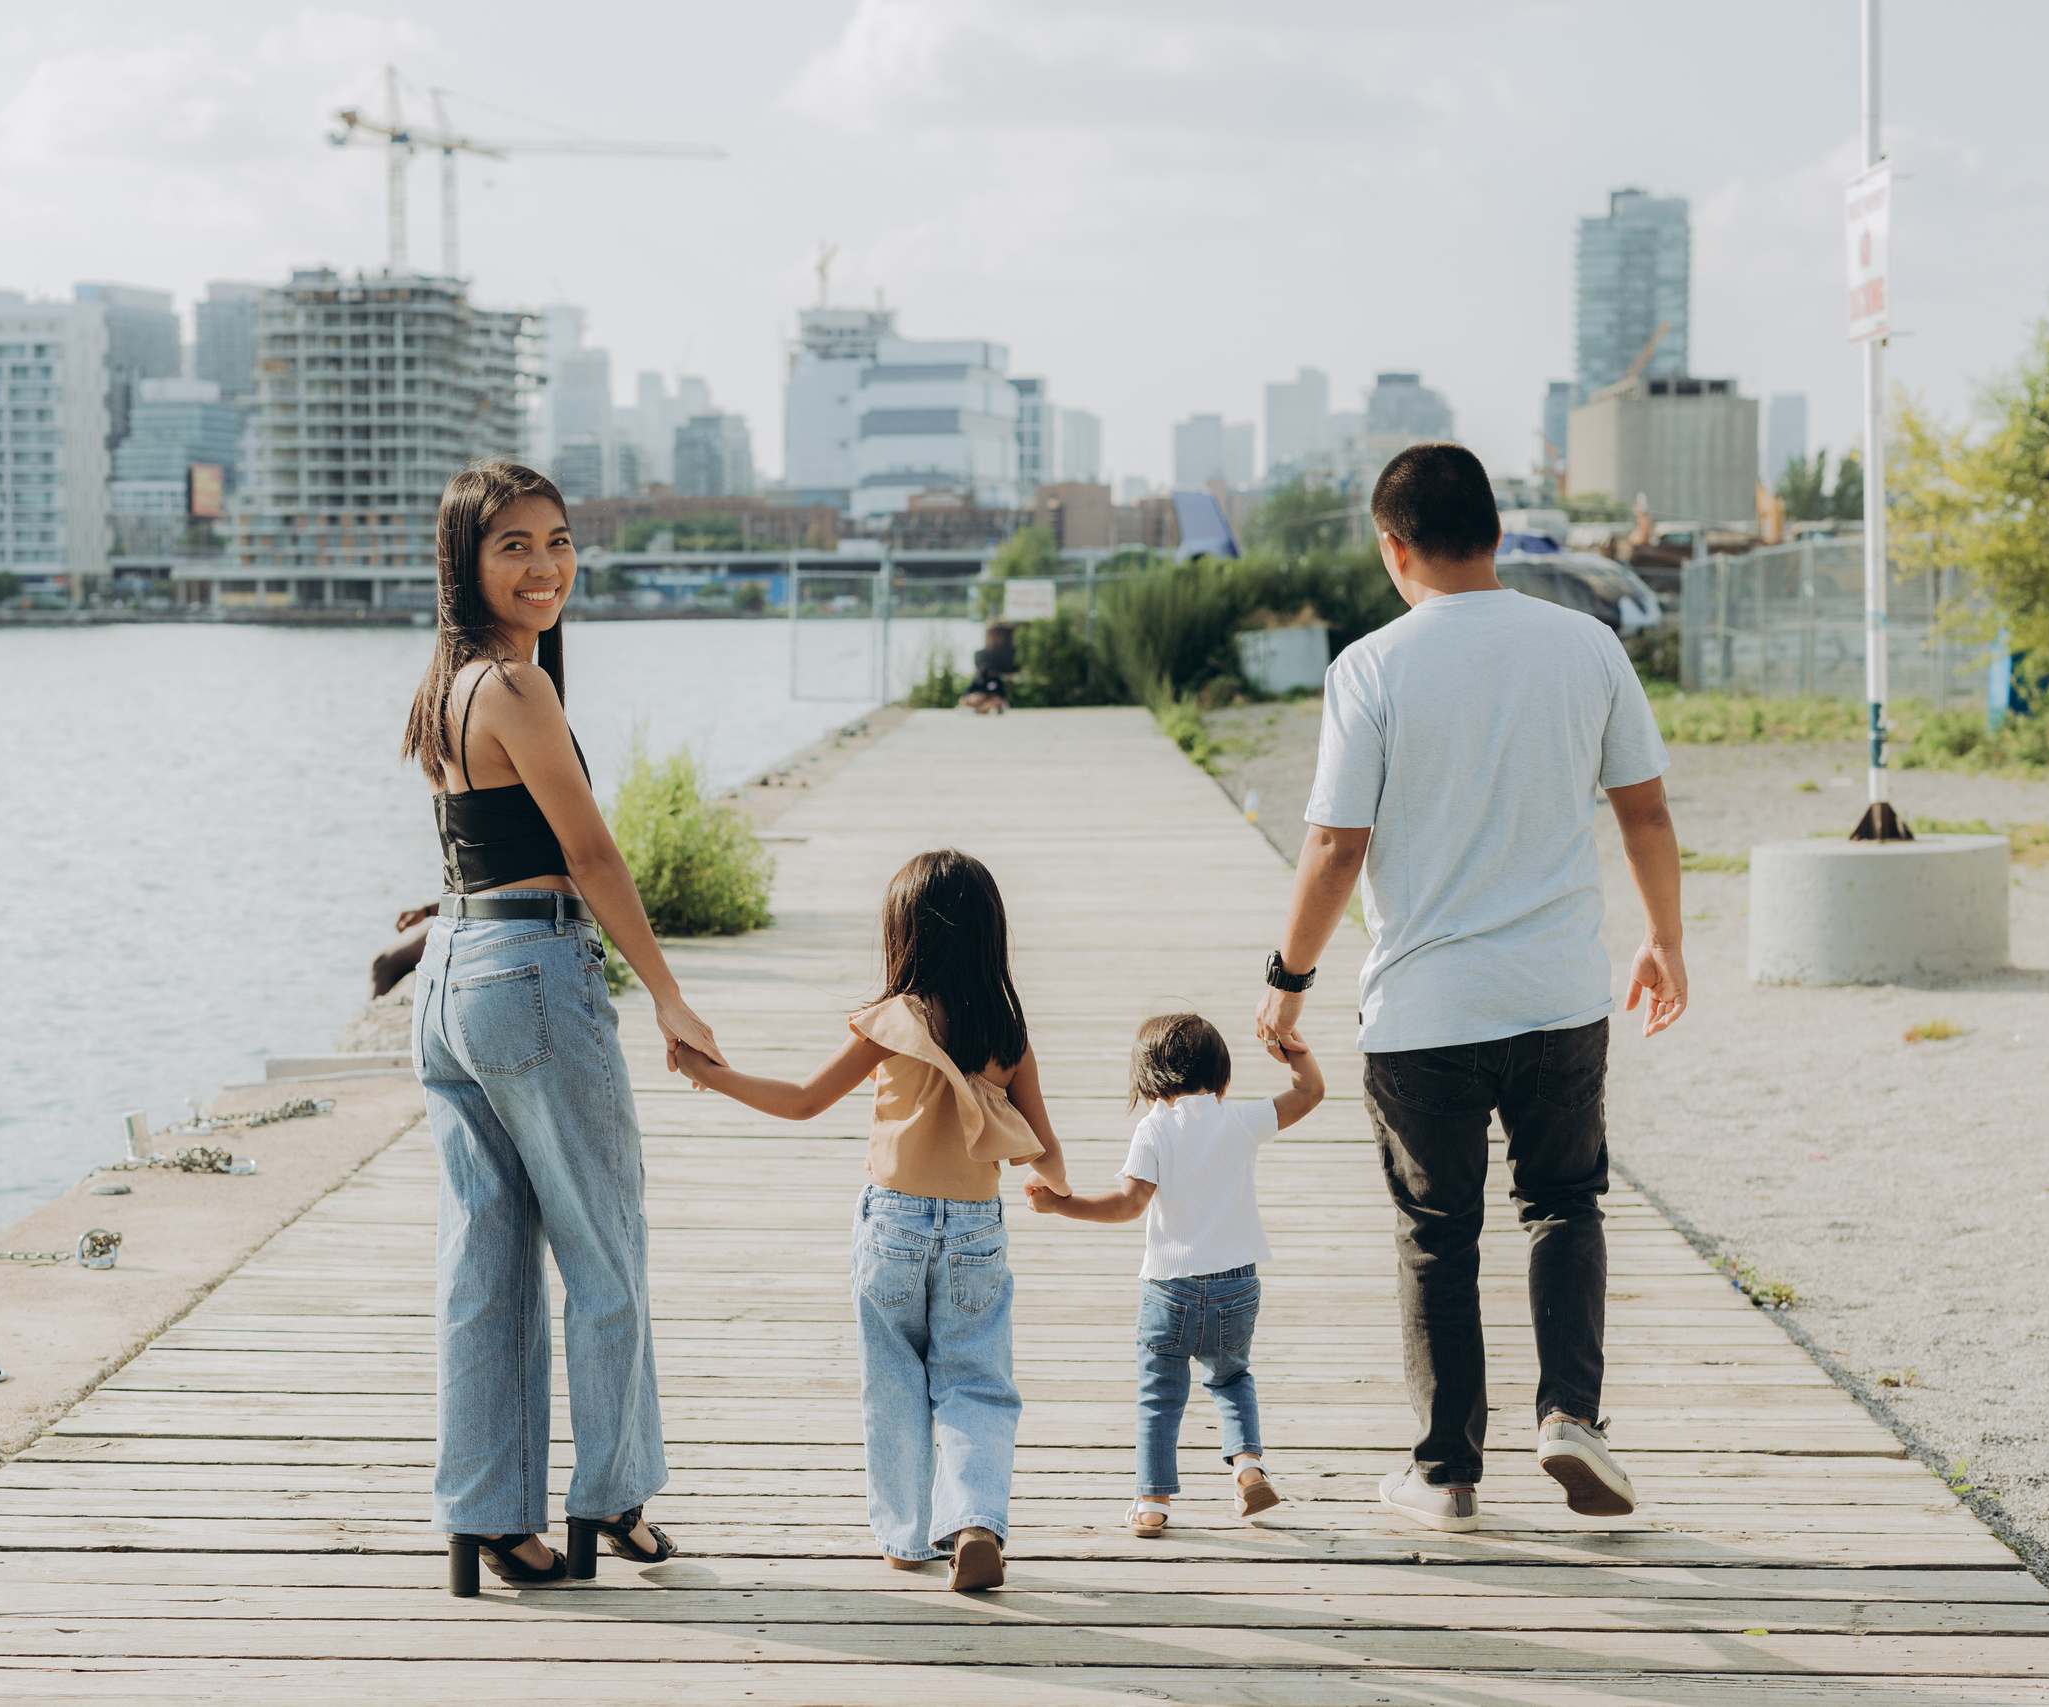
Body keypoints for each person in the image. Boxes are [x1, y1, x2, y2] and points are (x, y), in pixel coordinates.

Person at [1252, 441, 1686, 1536]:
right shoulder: (1585, 647)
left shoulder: (1370, 667)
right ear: (1494, 532)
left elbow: (1335, 848)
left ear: (1391, 548)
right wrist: (1664, 941)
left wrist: (1287, 982)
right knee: (1564, 1203)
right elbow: (1644, 811)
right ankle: (1568, 1418)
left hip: (1424, 1012)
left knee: (1437, 1234)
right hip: (1557, 997)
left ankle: (1446, 1474)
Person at [402, 460, 727, 1594]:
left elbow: (477, 835)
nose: (544, 568)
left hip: (451, 973)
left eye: (558, 542)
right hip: (529, 974)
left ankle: (485, 1517)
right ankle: (613, 1500)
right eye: (513, 548)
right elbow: (588, 855)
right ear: (466, 563)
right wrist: (670, 995)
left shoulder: (444, 683)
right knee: (603, 1245)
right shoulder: (518, 689)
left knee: (484, 1262)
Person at [673, 849, 1068, 1591]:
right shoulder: (1007, 1033)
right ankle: (977, 1521)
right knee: (976, 1380)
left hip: (893, 1222)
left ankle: (905, 1535)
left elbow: (801, 1099)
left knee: (892, 1377)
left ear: (905, 935)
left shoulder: (891, 1021)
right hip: (977, 1227)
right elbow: (1044, 1151)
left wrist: (713, 1074)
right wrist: (1057, 1190)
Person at [1026, 1013, 1322, 1536]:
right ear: (1223, 1078)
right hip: (1236, 1284)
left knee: (1160, 1395)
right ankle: (1249, 1468)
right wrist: (1293, 1051)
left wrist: (1060, 1205)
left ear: (1146, 1085)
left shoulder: (1154, 1129)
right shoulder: (1241, 1120)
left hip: (1170, 1290)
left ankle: (1152, 1503)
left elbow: (1127, 1205)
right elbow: (1310, 1092)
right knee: (1231, 1377)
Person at [959, 623, 1016, 714]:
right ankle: (980, 708)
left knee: (995, 701)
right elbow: (968, 691)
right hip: (983, 696)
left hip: (993, 697)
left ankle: (982, 708)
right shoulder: (980, 657)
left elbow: (1000, 694)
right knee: (966, 700)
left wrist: (988, 696)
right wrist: (977, 697)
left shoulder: (1006, 655)